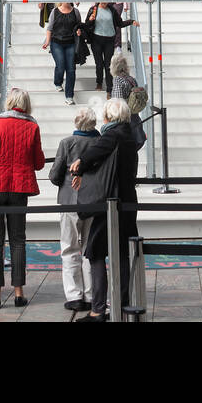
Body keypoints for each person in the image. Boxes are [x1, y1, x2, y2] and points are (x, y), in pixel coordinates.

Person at [69, 98, 140, 323]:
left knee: (95, 252)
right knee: (122, 255)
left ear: (110, 117)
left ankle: (97, 310)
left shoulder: (113, 134)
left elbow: (93, 153)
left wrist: (79, 163)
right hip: (127, 203)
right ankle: (122, 306)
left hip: (111, 204)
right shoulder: (130, 135)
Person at [0, 87, 45, 308]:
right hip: (19, 187)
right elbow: (38, 163)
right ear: (26, 104)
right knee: (18, 240)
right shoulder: (32, 126)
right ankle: (18, 292)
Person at [50, 107, 102, 312]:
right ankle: (90, 294)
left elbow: (55, 174)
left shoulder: (67, 143)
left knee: (69, 247)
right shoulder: (99, 143)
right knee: (90, 248)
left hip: (69, 201)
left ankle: (74, 296)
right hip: (93, 202)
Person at [85, 1, 139, 96]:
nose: (104, 3)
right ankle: (99, 82)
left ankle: (109, 89)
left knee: (108, 65)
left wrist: (131, 21)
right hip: (96, 40)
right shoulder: (93, 9)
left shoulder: (112, 10)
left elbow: (120, 23)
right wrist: (90, 20)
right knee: (99, 64)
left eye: (106, 1)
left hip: (109, 40)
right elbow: (87, 25)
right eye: (102, 1)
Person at [45, 0, 83, 104]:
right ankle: (58, 82)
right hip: (56, 42)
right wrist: (47, 41)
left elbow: (79, 26)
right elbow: (49, 28)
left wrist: (79, 31)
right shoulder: (54, 11)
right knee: (61, 65)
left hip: (70, 43)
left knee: (71, 69)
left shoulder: (76, 12)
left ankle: (69, 96)